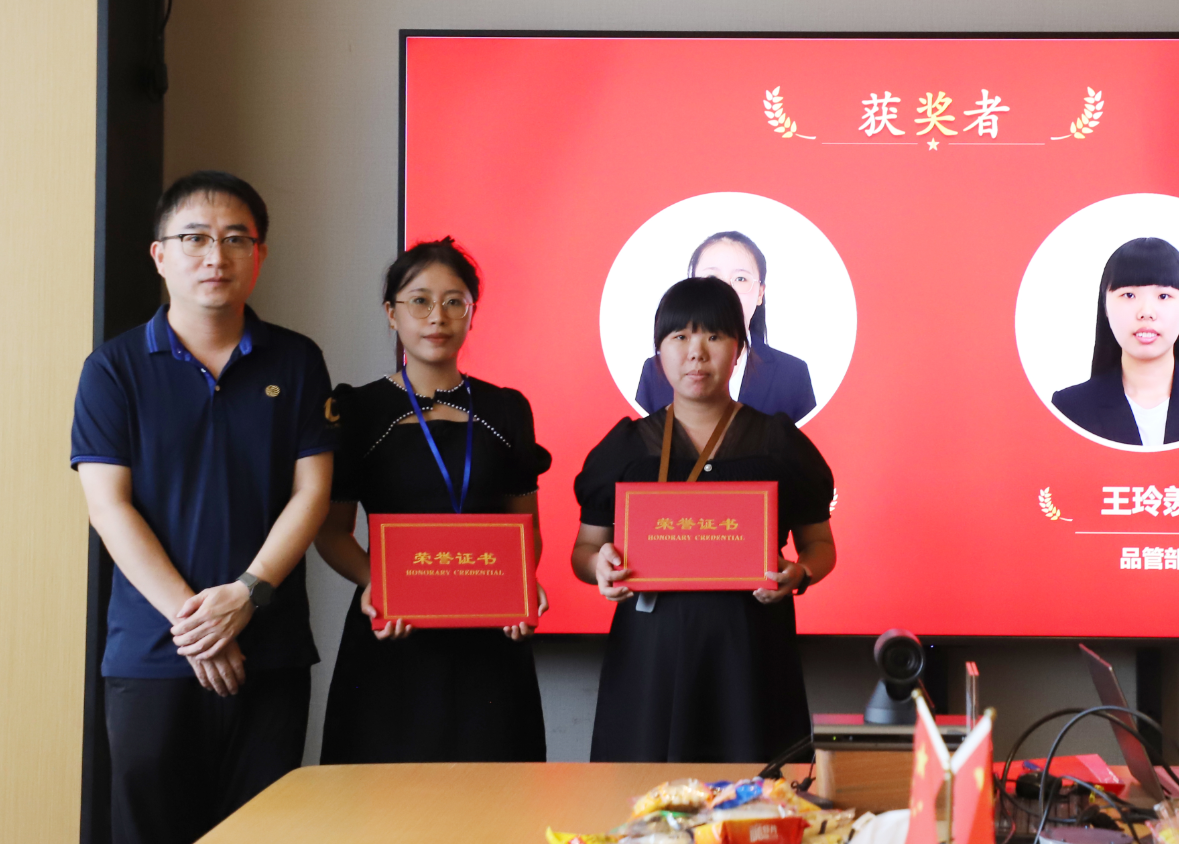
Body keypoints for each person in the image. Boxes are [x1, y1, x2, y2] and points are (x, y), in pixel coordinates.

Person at [71, 171, 335, 844]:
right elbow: (109, 507)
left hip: (269, 649)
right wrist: (196, 625)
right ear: (160, 255)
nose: (216, 256)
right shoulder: (113, 369)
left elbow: (312, 492)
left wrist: (247, 595)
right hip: (153, 653)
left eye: (236, 239)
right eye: (194, 239)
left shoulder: (298, 361)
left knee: (266, 834)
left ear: (260, 254)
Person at [574, 276, 837, 763]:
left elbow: (821, 546)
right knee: (646, 791)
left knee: (755, 790)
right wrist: (599, 568)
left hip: (750, 655)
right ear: (659, 353)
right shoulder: (626, 449)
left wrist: (799, 573)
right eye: (680, 337)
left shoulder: (778, 444)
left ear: (739, 350)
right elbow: (584, 551)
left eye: (714, 336)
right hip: (650, 657)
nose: (696, 353)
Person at [316, 237, 551, 764]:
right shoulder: (359, 411)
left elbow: (527, 528)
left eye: (454, 302)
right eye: (419, 301)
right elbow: (331, 532)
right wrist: (380, 585)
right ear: (391, 313)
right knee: (383, 795)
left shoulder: (506, 409)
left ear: (472, 312)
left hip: (489, 640)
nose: (437, 317)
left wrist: (517, 587)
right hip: (393, 635)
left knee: (494, 792)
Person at [1051, 237, 1179, 447]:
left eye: (1163, 296)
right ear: (1105, 306)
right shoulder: (1069, 409)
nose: (1146, 312)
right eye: (1129, 295)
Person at [635, 231, 816, 423]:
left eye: (740, 279)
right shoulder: (655, 371)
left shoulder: (792, 374)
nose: (725, 290)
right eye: (712, 277)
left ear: (760, 293)